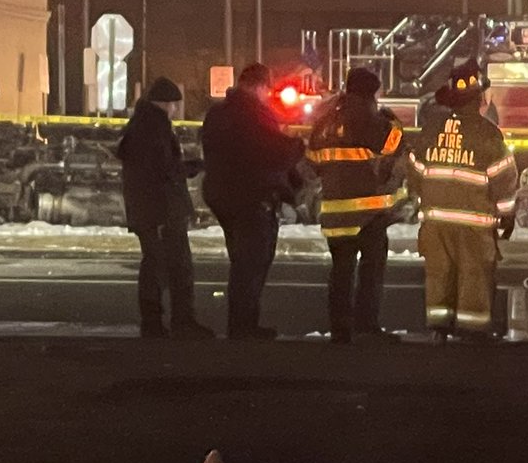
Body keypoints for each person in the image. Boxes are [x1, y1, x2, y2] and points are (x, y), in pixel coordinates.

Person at [408, 58, 517, 342]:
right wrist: (506, 215)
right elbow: (503, 180)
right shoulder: (488, 134)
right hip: (473, 224)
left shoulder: (431, 129)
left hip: (434, 222)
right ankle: (471, 332)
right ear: (480, 97)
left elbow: (415, 171)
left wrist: (426, 200)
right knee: (474, 275)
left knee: (439, 274)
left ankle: (439, 329)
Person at [201, 63, 305, 340]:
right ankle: (243, 325)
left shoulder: (217, 114)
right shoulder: (253, 114)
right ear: (260, 86)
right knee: (252, 262)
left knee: (241, 260)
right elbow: (271, 152)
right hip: (250, 196)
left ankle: (242, 322)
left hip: (221, 194)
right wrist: (297, 148)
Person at [306, 67, 406, 345]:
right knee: (371, 270)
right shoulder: (368, 117)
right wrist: (393, 122)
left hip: (335, 211)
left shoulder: (326, 120)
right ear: (372, 92)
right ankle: (366, 326)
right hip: (367, 211)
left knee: (341, 271)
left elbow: (312, 159)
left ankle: (340, 329)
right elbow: (392, 146)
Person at [117, 77, 213, 339]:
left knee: (159, 265)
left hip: (153, 210)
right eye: (174, 105)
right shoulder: (153, 129)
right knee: (172, 266)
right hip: (161, 211)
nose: (175, 110)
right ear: (166, 104)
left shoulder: (143, 126)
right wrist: (191, 167)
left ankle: (157, 321)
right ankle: (174, 321)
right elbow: (161, 171)